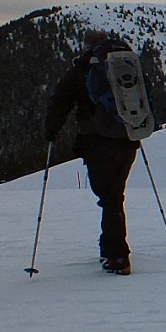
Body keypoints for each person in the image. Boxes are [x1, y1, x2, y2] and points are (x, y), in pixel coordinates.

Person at [44, 30, 141, 275]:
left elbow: (60, 101)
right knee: (115, 195)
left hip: (98, 143)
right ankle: (110, 248)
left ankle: (118, 256)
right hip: (128, 141)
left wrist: (51, 131)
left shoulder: (81, 72)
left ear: (87, 47)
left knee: (110, 198)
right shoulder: (125, 67)